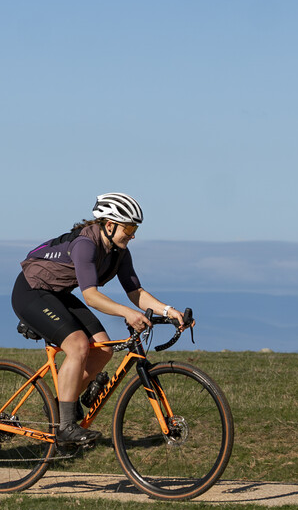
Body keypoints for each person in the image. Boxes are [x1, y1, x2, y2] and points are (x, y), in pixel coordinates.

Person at [11, 192, 185, 449]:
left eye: (135, 228)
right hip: (31, 292)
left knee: (103, 348)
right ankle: (66, 427)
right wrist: (127, 313)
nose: (133, 234)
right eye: (129, 228)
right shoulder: (86, 245)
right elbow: (91, 296)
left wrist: (169, 311)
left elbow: (136, 292)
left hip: (57, 294)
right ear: (110, 225)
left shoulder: (119, 252)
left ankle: (61, 407)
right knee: (78, 345)